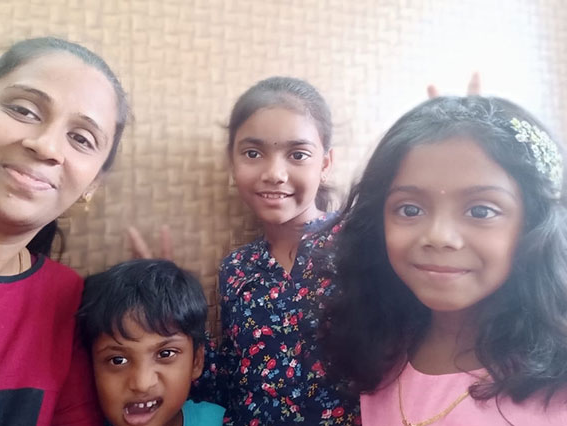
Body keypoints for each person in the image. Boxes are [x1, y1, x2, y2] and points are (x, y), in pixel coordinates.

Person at [322, 96, 567, 425]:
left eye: (480, 211)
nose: (439, 236)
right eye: (410, 209)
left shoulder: (557, 387)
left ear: (534, 223)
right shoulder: (379, 347)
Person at [0, 36, 128, 425]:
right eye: (24, 110)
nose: (46, 146)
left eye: (81, 138)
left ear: (94, 183)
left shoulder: (67, 301)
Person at [182, 76, 359, 425]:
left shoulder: (360, 244)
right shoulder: (236, 269)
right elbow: (230, 380)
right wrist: (172, 315)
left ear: (325, 164)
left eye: (298, 155)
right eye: (253, 153)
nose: (274, 173)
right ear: (232, 161)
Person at [77, 259, 225, 426]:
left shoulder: (221, 421)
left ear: (196, 362)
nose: (142, 384)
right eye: (118, 360)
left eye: (165, 354)